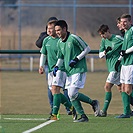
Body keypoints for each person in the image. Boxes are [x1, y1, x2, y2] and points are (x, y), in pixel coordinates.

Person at [53, 20, 100, 122]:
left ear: (65, 29)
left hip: (79, 69)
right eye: (56, 30)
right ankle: (83, 116)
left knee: (72, 93)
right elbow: (60, 57)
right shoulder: (59, 42)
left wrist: (76, 59)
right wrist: (56, 67)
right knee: (71, 94)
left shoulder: (74, 38)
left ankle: (93, 103)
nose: (57, 32)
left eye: (59, 30)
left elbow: (87, 49)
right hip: (69, 72)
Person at [39, 20, 77, 121]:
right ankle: (72, 107)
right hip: (51, 69)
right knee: (54, 92)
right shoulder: (46, 40)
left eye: (51, 29)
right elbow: (43, 53)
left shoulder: (61, 40)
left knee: (56, 89)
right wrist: (41, 65)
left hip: (61, 68)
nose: (49, 30)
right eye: (48, 28)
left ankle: (54, 114)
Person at [97, 24, 123, 117]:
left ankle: (104, 111)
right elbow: (100, 55)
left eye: (103, 34)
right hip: (111, 67)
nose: (102, 36)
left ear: (108, 31)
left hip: (116, 68)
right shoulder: (103, 41)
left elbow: (127, 45)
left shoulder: (118, 38)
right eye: (101, 35)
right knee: (121, 89)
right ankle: (128, 109)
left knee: (107, 87)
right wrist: (105, 52)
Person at [115, 14, 133, 118]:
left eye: (125, 22)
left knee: (127, 89)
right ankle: (127, 111)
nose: (123, 24)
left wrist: (126, 51)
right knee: (122, 88)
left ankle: (127, 112)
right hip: (125, 63)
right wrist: (119, 60)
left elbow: (126, 50)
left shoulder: (132, 30)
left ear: (130, 22)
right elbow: (123, 51)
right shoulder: (125, 33)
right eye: (122, 22)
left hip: (131, 63)